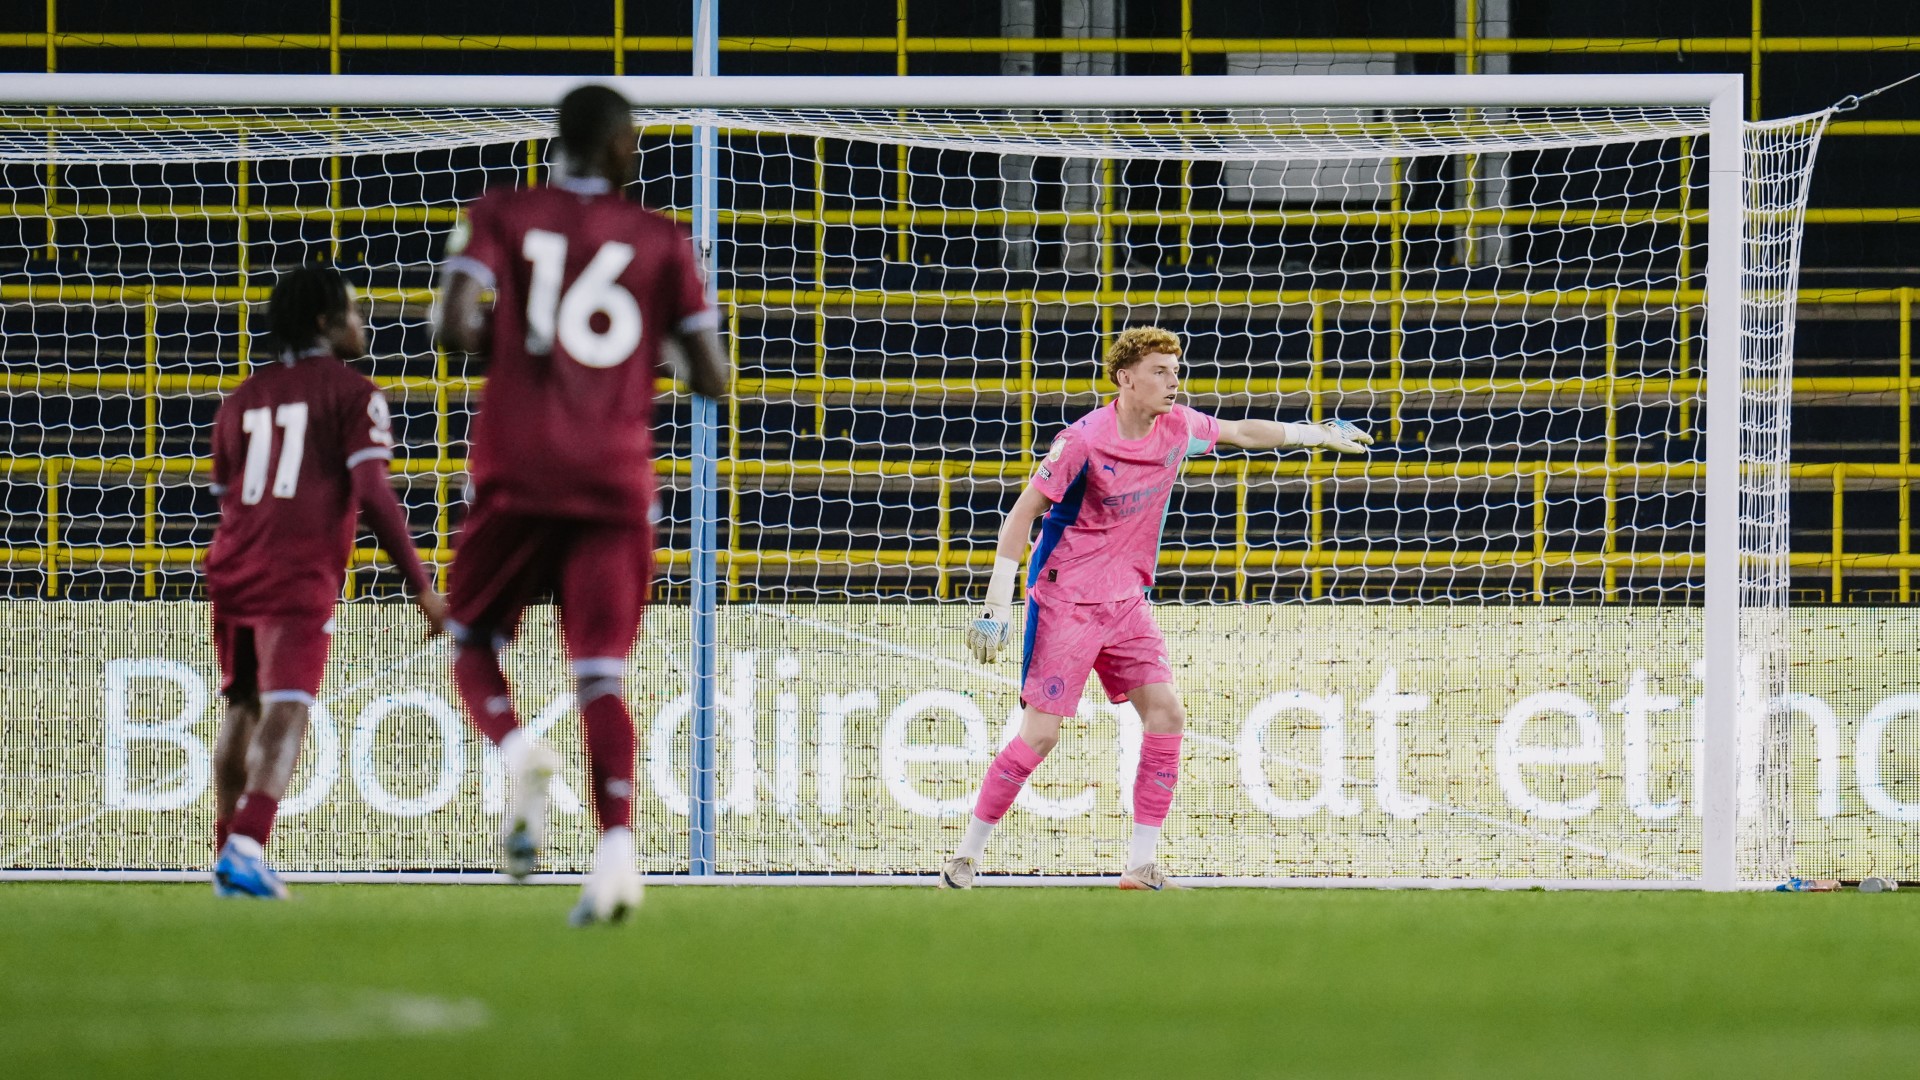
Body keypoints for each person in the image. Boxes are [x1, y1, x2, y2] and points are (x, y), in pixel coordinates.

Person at [434, 83, 729, 926]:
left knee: (472, 636)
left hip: (518, 467)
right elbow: (712, 377)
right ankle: (616, 859)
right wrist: (640, 351)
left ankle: (521, 751)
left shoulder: (499, 211)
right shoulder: (661, 241)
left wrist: (530, 348)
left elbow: (452, 323)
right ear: (617, 145)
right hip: (612, 476)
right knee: (600, 668)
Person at [947, 325, 1373, 890]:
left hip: (1126, 601)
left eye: (1176, 371)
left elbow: (1242, 431)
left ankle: (1141, 865)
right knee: (1040, 737)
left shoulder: (1177, 428)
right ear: (1126, 378)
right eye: (1159, 371)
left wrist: (1311, 433)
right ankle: (965, 857)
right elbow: (1022, 514)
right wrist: (997, 604)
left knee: (1167, 715)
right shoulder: (1082, 441)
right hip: (1066, 600)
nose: (1173, 382)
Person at [206, 264, 446, 899]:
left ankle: (227, 854)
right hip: (296, 570)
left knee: (244, 708)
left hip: (232, 564)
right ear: (324, 321)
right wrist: (421, 583)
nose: (361, 321)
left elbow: (227, 494)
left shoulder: (240, 400)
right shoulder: (352, 393)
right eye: (352, 310)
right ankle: (250, 845)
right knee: (288, 707)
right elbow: (373, 492)